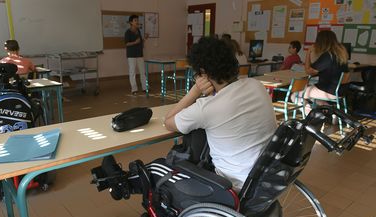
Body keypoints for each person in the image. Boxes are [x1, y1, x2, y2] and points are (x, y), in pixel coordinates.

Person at [164, 37, 277, 190]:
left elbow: (168, 122)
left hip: (233, 184)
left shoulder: (207, 108)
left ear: (202, 73)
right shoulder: (256, 85)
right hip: (266, 177)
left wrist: (195, 91)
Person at [291, 30, 350, 113]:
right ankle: (333, 112)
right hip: (341, 90)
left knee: (295, 95)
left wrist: (308, 52)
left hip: (329, 90)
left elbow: (308, 71)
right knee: (310, 93)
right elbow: (315, 69)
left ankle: (311, 117)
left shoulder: (328, 56)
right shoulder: (340, 55)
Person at [125, 15, 148, 95]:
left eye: (137, 20)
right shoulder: (128, 32)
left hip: (139, 54)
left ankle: (145, 88)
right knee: (132, 72)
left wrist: (145, 38)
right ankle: (134, 89)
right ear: (131, 22)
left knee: (142, 72)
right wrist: (135, 42)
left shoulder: (138, 31)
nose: (137, 22)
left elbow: (141, 42)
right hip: (131, 55)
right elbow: (127, 44)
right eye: (135, 20)